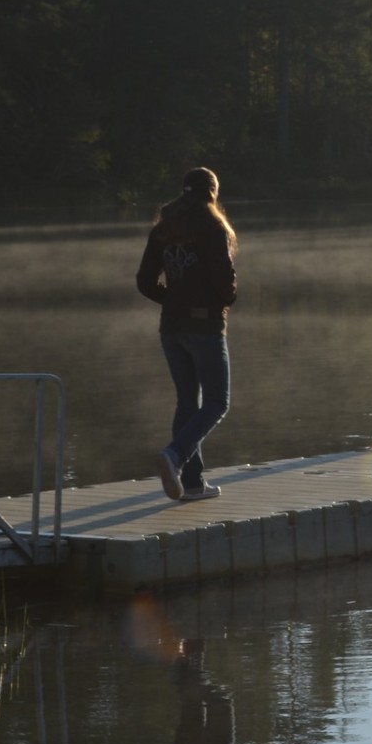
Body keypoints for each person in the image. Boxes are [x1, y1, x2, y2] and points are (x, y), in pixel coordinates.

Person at [138, 166, 238, 501]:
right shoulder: (212, 227)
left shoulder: (164, 228)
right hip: (204, 325)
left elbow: (144, 281)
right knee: (216, 401)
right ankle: (175, 456)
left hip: (172, 326)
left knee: (187, 400)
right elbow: (224, 283)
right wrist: (227, 298)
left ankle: (193, 485)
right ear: (212, 193)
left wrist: (174, 300)